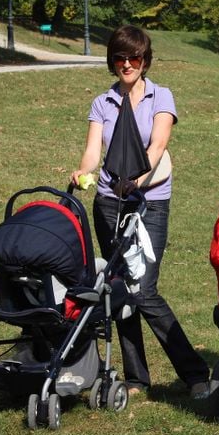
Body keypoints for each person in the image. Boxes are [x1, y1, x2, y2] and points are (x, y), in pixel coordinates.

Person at [72, 25, 210, 400]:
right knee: (119, 288)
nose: (127, 64)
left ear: (145, 61)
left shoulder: (160, 97)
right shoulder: (103, 102)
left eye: (135, 58)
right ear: (112, 62)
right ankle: (136, 378)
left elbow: (158, 144)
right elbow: (91, 151)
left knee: (144, 288)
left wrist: (136, 178)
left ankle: (196, 373)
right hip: (108, 202)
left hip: (150, 202)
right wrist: (83, 171)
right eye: (120, 58)